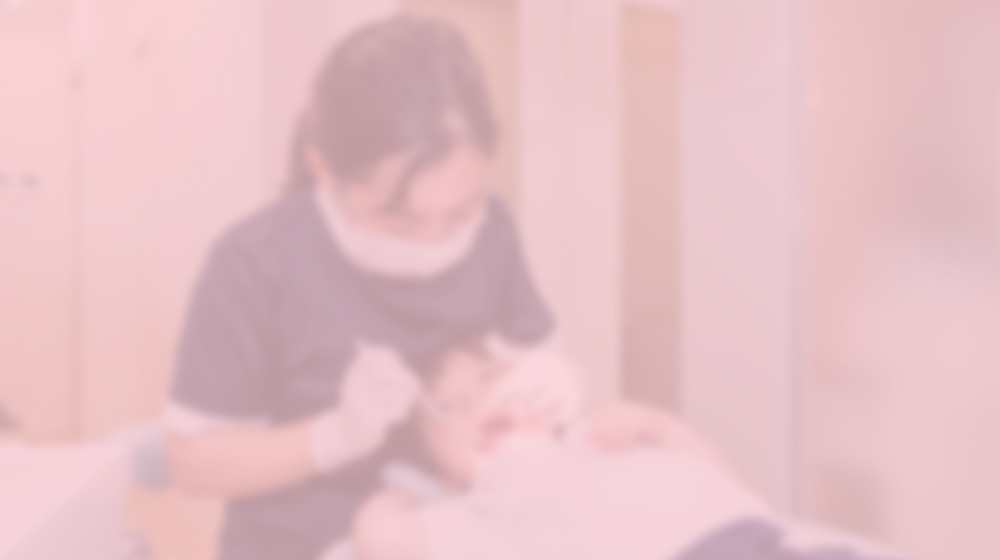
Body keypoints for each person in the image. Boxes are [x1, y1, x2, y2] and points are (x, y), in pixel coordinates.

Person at [165, 16, 582, 560]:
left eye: (460, 210)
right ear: (325, 171)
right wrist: (333, 436)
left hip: (459, 537)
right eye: (400, 221)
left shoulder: (493, 229)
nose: (436, 238)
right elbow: (193, 463)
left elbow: (532, 362)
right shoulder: (256, 262)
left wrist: (546, 384)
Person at [348, 344, 909, 560]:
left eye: (490, 375)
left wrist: (657, 427)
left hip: (757, 542)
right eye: (452, 407)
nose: (480, 399)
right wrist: (403, 493)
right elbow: (379, 540)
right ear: (445, 474)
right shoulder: (480, 507)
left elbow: (726, 486)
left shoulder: (602, 441)